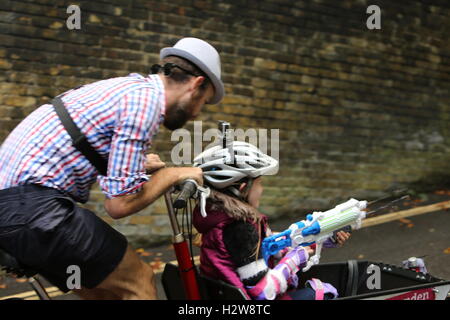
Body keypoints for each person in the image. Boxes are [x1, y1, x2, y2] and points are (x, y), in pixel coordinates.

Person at [0, 37, 224, 299]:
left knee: (109, 295)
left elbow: (83, 144)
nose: (196, 113)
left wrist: (138, 164)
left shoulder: (131, 89)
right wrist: (174, 173)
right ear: (196, 85)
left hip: (17, 210)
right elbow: (119, 204)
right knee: (139, 280)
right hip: (34, 211)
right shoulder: (146, 104)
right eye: (203, 102)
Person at [192, 141, 351, 300]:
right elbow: (262, 292)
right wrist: (293, 260)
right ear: (243, 189)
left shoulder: (219, 222)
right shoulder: (240, 230)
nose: (262, 189)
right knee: (325, 293)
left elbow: (272, 245)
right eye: (259, 183)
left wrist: (321, 239)